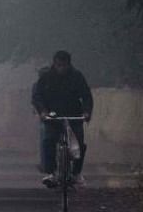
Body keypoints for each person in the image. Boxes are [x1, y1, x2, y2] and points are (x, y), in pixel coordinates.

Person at [31, 50, 94, 187]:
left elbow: (86, 95)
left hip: (74, 116)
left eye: (64, 65)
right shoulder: (46, 77)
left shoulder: (77, 76)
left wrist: (87, 112)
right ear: (54, 63)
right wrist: (42, 111)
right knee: (48, 141)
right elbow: (37, 96)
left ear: (68, 64)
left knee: (79, 144)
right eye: (59, 65)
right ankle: (52, 172)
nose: (62, 68)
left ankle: (76, 173)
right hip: (52, 116)